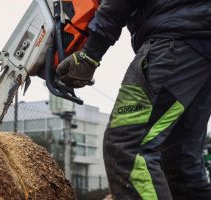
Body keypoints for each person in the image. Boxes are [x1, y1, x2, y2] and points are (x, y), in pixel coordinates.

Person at [56, 0, 211, 199]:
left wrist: (90, 54)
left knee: (128, 145)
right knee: (179, 159)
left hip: (175, 40)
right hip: (199, 45)